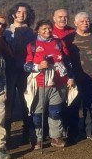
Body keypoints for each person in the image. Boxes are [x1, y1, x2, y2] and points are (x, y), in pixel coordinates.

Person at [23, 20, 75, 149]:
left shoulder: (59, 42)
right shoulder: (32, 45)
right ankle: (38, 138)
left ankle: (56, 137)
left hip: (59, 83)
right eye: (44, 29)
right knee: (38, 112)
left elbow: (68, 61)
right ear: (38, 31)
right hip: (40, 83)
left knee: (55, 111)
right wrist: (38, 66)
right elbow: (26, 66)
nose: (47, 31)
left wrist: (71, 77)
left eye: (49, 28)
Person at [64, 12, 92, 141]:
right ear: (75, 23)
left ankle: (91, 131)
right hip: (75, 77)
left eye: (87, 21)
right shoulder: (68, 39)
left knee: (91, 104)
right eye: (81, 21)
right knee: (74, 105)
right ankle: (73, 132)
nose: (85, 23)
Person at [5, 2, 36, 143]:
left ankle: (28, 133)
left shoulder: (32, 33)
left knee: (27, 101)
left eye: (24, 12)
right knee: (7, 102)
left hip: (26, 72)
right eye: (18, 12)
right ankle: (5, 134)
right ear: (13, 14)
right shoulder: (6, 32)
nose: (21, 14)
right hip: (9, 72)